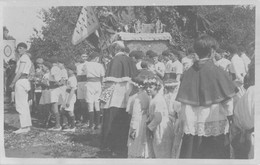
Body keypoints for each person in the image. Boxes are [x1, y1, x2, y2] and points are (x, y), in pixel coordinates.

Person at [176, 35, 237, 159]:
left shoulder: (187, 73)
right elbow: (228, 102)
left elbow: (181, 103)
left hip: (191, 124)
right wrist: (231, 119)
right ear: (212, 51)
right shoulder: (218, 72)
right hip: (215, 123)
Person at [100, 41, 138, 157]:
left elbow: (110, 82)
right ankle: (123, 144)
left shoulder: (115, 60)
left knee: (112, 121)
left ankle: (110, 144)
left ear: (115, 49)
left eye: (112, 49)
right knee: (125, 120)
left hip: (115, 97)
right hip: (127, 96)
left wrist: (103, 99)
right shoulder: (130, 60)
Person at [145, 76, 173, 158]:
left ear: (157, 88)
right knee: (157, 150)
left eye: (151, 87)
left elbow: (158, 118)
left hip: (161, 128)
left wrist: (149, 128)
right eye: (146, 87)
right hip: (157, 126)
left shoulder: (158, 100)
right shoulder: (153, 98)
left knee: (162, 151)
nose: (148, 89)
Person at [9, 42, 32, 134]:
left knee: (20, 104)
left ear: (26, 49)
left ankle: (23, 126)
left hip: (21, 80)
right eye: (18, 48)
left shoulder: (23, 57)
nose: (20, 50)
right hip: (25, 80)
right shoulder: (27, 58)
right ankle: (26, 126)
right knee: (24, 104)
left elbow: (19, 72)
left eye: (22, 48)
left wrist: (13, 82)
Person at [127, 73, 151, 158]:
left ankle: (136, 156)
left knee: (136, 139)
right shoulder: (148, 95)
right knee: (143, 139)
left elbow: (135, 115)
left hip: (138, 121)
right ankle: (143, 154)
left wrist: (133, 128)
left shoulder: (137, 98)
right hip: (145, 119)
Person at [82, 52, 105, 130]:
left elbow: (83, 71)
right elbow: (102, 76)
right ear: (96, 58)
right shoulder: (100, 65)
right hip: (98, 84)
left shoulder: (86, 64)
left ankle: (91, 124)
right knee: (97, 104)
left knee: (90, 104)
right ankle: (97, 124)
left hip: (89, 83)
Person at [60, 63, 77, 132]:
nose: (68, 71)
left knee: (70, 111)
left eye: (69, 70)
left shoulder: (73, 79)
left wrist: (68, 101)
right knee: (63, 110)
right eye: (67, 70)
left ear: (73, 71)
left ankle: (73, 127)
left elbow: (73, 90)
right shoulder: (70, 78)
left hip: (70, 96)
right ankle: (66, 125)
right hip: (67, 94)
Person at [48, 56, 63, 131]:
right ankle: (58, 124)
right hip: (57, 88)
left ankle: (58, 125)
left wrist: (58, 83)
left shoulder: (53, 68)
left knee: (54, 106)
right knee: (56, 105)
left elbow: (54, 77)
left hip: (54, 88)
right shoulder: (59, 68)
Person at [75, 54, 89, 126]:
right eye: (83, 56)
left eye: (86, 56)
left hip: (86, 83)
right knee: (81, 102)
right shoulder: (78, 65)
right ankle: (81, 119)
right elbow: (77, 75)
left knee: (87, 102)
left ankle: (86, 120)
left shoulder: (89, 64)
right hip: (80, 83)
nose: (84, 58)